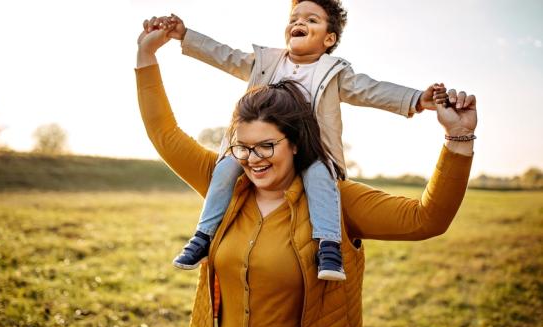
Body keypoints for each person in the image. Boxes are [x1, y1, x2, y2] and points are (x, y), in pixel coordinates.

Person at [136, 23, 476, 327]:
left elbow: (426, 220)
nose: (252, 160)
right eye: (243, 147)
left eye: (266, 146)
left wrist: (458, 139)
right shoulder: (224, 183)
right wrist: (146, 54)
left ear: (296, 143)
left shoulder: (337, 200)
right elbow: (163, 132)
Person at [143, 0, 449, 281]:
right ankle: (203, 237)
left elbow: (372, 90)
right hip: (257, 145)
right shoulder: (266, 61)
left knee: (320, 180)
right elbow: (225, 56)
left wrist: (417, 99)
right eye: (294, 18)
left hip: (308, 149)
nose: (298, 22)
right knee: (224, 169)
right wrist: (185, 35)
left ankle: (329, 248)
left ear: (328, 39)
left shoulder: (334, 72)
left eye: (311, 19)